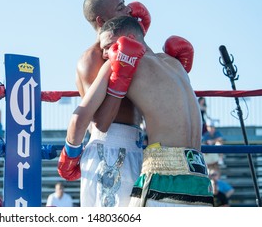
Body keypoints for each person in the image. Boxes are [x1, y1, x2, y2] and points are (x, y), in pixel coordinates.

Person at [65, 15, 212, 207]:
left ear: (128, 39)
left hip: (162, 176)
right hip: (200, 179)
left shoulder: (122, 59)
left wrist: (69, 155)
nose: (104, 54)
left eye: (108, 46)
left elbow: (97, 122)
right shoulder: (174, 64)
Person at [58, 0, 151, 207]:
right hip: (109, 150)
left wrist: (140, 37)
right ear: (101, 20)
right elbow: (101, 121)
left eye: (125, 4)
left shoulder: (127, 50)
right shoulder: (93, 58)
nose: (129, 9)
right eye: (120, 7)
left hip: (133, 148)